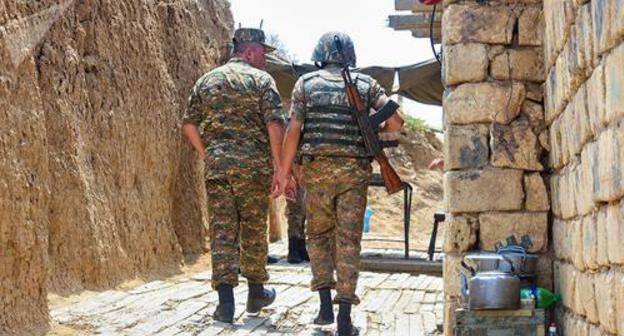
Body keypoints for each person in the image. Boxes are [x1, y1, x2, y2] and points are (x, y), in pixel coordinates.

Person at [273, 32, 404, 336]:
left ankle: (323, 307)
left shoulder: (306, 83)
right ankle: (344, 317)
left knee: (317, 237)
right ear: (351, 56)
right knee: (348, 242)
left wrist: (284, 171)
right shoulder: (366, 84)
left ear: (320, 54)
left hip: (315, 173)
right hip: (353, 175)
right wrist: (373, 126)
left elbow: (294, 129)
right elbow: (396, 121)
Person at [182, 28, 286, 323]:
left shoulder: (207, 80)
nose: (265, 60)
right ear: (250, 52)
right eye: (263, 54)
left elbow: (189, 125)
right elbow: (275, 124)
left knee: (223, 231)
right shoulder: (262, 80)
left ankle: (225, 303)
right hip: (253, 168)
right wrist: (280, 168)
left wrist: (207, 153)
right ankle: (256, 293)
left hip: (219, 167)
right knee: (253, 228)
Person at [285, 163, 309, 264]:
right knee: (295, 212)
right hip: (293, 166)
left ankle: (301, 247)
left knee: (304, 210)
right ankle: (293, 249)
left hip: (307, 167)